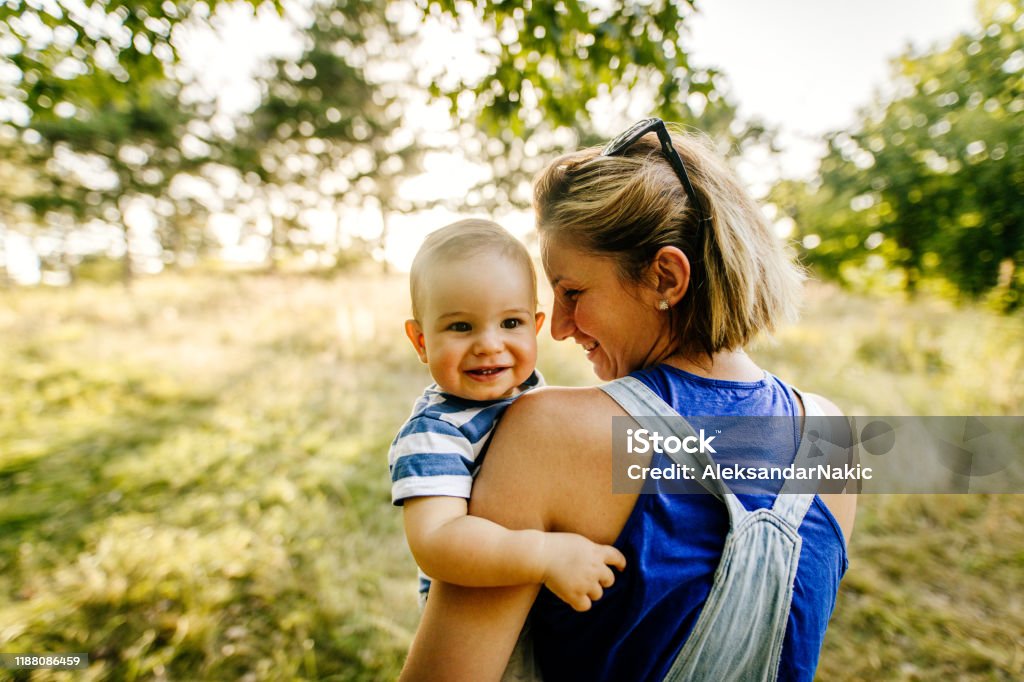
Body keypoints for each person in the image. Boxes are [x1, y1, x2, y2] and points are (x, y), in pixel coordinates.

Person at [399, 121, 857, 681]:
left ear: (666, 276)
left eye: (572, 293)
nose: (560, 329)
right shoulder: (831, 434)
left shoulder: (549, 433)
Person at [389, 218, 626, 613]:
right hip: (481, 609)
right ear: (421, 341)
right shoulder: (436, 433)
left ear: (535, 327)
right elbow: (436, 540)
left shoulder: (535, 394)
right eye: (461, 326)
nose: (489, 344)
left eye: (510, 323)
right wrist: (544, 554)